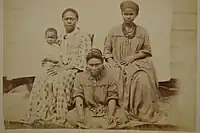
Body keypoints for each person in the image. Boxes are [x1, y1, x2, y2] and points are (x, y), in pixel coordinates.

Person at [25, 8, 92, 125]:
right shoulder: (60, 37)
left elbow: (85, 58)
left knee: (59, 80)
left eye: (72, 19)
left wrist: (64, 68)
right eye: (66, 19)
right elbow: (57, 53)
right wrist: (49, 61)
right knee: (42, 77)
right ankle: (41, 113)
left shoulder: (83, 36)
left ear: (77, 20)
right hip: (60, 66)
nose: (69, 21)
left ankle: (60, 114)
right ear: (63, 20)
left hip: (75, 69)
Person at [104, 0, 167, 123]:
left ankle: (141, 111)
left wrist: (132, 58)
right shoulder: (113, 31)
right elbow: (107, 50)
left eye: (131, 14)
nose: (128, 16)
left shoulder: (142, 31)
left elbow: (147, 50)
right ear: (121, 14)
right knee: (116, 75)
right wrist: (111, 61)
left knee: (142, 79)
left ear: (136, 15)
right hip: (118, 62)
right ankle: (119, 109)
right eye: (125, 14)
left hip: (137, 63)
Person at [66, 48, 129, 129]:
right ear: (86, 64)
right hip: (88, 110)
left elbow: (112, 98)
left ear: (102, 63)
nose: (94, 68)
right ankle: (97, 124)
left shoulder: (110, 78)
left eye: (97, 65)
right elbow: (79, 97)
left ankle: (96, 124)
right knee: (71, 116)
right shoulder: (79, 77)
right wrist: (81, 114)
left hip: (105, 110)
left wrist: (111, 115)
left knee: (122, 116)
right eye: (91, 65)